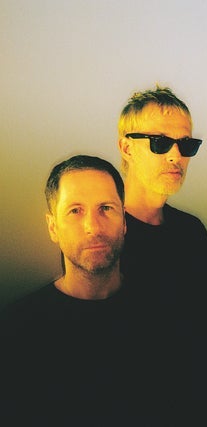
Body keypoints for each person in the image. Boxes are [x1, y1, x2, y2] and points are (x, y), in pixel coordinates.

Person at [0, 155, 180, 425]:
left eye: (106, 208)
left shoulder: (166, 319)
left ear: (124, 222)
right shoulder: (15, 329)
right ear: (53, 227)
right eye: (75, 211)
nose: (93, 228)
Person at [116, 86, 207, 416]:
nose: (176, 156)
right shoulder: (105, 235)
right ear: (126, 147)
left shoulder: (192, 233)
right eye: (160, 142)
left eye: (186, 145)